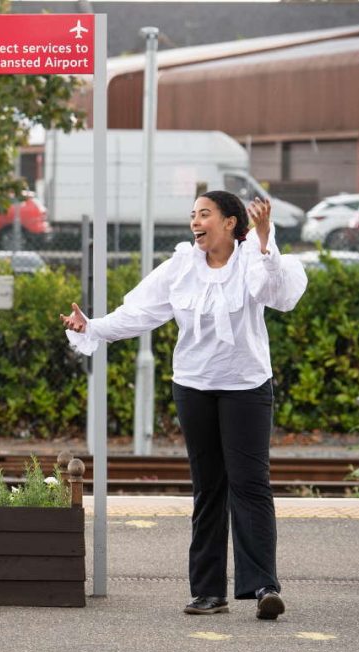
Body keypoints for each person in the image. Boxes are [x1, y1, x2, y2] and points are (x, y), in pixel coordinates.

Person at [61, 191, 307, 620]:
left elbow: (279, 294)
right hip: (193, 386)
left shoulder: (253, 258)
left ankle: (263, 585)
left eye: (205, 214)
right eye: (193, 214)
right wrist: (92, 327)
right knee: (208, 487)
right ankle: (208, 592)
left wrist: (265, 239)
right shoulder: (181, 266)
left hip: (246, 386)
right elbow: (139, 312)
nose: (196, 221)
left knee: (250, 483)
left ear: (230, 223)